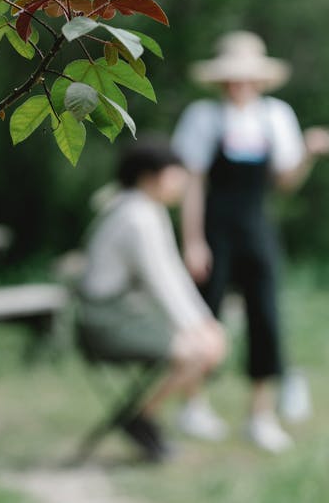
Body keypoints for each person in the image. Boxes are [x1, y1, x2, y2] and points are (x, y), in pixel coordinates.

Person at [172, 31, 329, 453]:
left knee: (266, 317)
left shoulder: (276, 116)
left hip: (257, 227)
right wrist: (192, 241)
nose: (239, 84)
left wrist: (308, 154)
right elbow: (192, 185)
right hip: (212, 231)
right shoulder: (203, 117)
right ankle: (195, 405)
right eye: (232, 77)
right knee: (203, 315)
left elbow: (285, 182)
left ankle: (260, 415)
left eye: (246, 77)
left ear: (259, 80)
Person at [77, 137, 227, 461]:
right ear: (150, 176)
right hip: (106, 322)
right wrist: (199, 329)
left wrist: (203, 323)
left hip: (125, 314)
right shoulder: (136, 216)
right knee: (196, 352)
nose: (182, 183)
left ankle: (141, 418)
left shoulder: (142, 209)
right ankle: (140, 418)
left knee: (202, 345)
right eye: (176, 174)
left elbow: (172, 274)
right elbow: (161, 281)